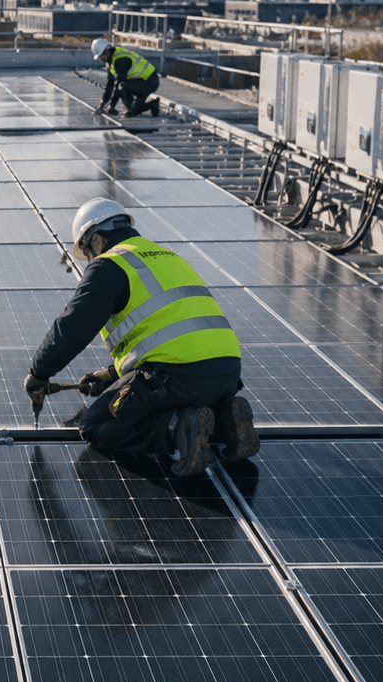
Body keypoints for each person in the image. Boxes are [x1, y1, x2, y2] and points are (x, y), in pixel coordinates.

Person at [23, 197, 257, 477]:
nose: (89, 260)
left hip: (177, 379)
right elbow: (170, 329)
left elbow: (72, 328)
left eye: (86, 252)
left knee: (94, 427)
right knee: (154, 401)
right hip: (227, 375)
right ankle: (225, 421)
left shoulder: (110, 265)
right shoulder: (167, 257)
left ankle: (177, 427)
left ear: (96, 239)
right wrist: (112, 374)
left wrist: (38, 373)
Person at [91, 38, 162, 118]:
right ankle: (141, 106)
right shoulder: (110, 60)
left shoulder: (121, 60)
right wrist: (103, 103)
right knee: (129, 105)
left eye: (101, 57)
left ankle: (152, 105)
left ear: (107, 51)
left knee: (123, 88)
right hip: (138, 82)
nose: (101, 60)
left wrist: (112, 106)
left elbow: (118, 84)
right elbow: (110, 83)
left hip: (150, 82)